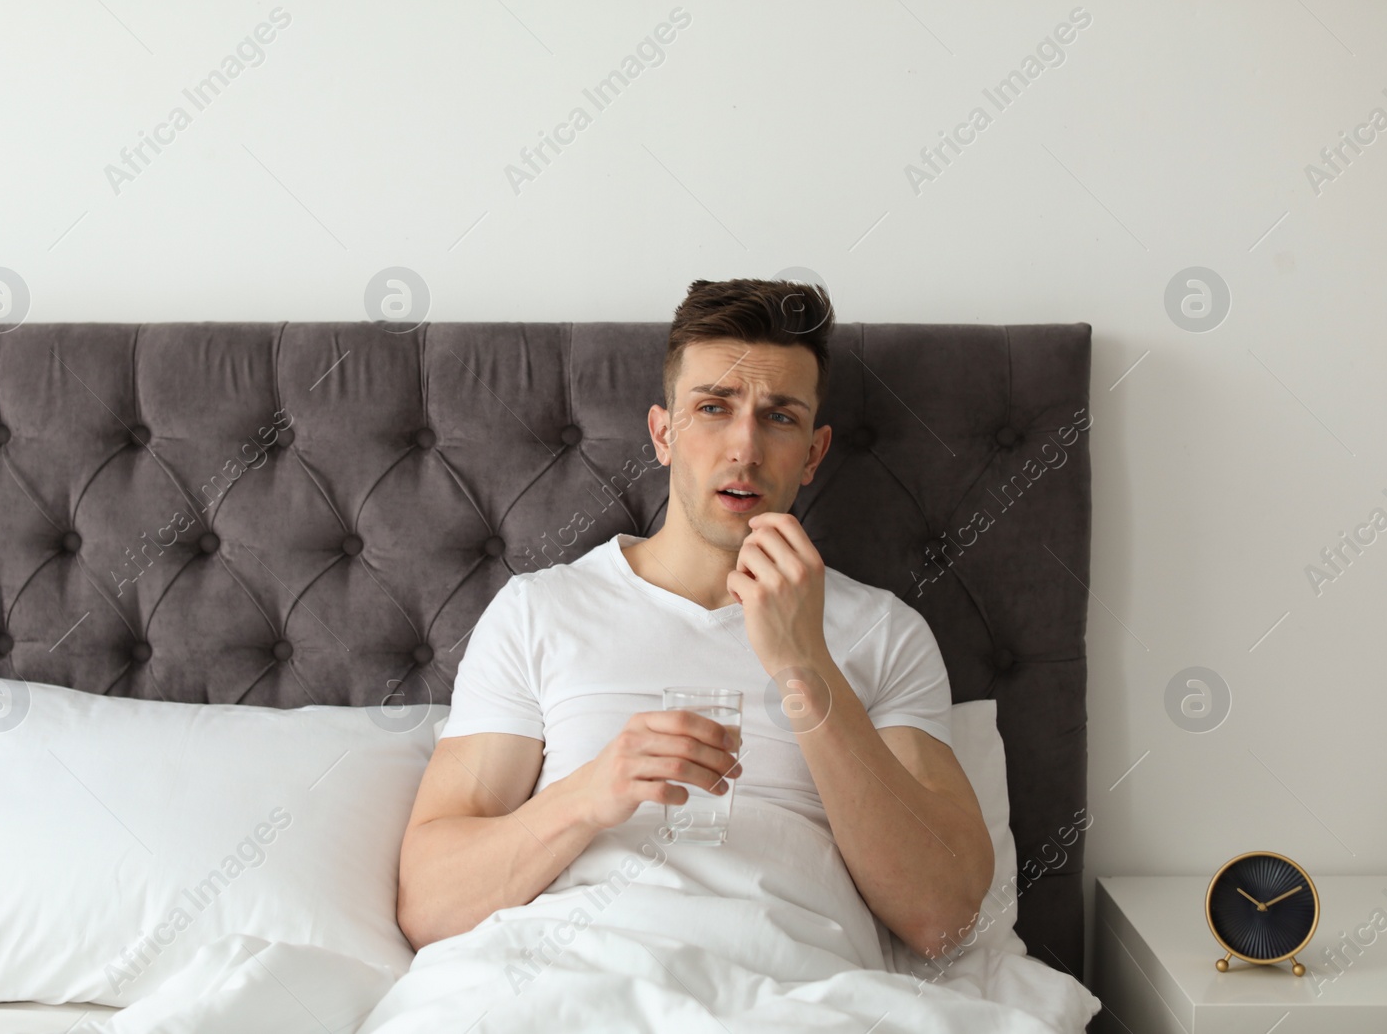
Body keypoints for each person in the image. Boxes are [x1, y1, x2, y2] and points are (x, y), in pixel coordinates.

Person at [395, 279, 993, 961]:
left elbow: (942, 917)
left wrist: (806, 666)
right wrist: (592, 791)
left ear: (814, 453)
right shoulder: (541, 611)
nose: (745, 447)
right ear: (663, 433)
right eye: (714, 407)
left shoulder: (886, 635)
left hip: (793, 991)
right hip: (569, 981)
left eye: (780, 417)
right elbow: (428, 902)